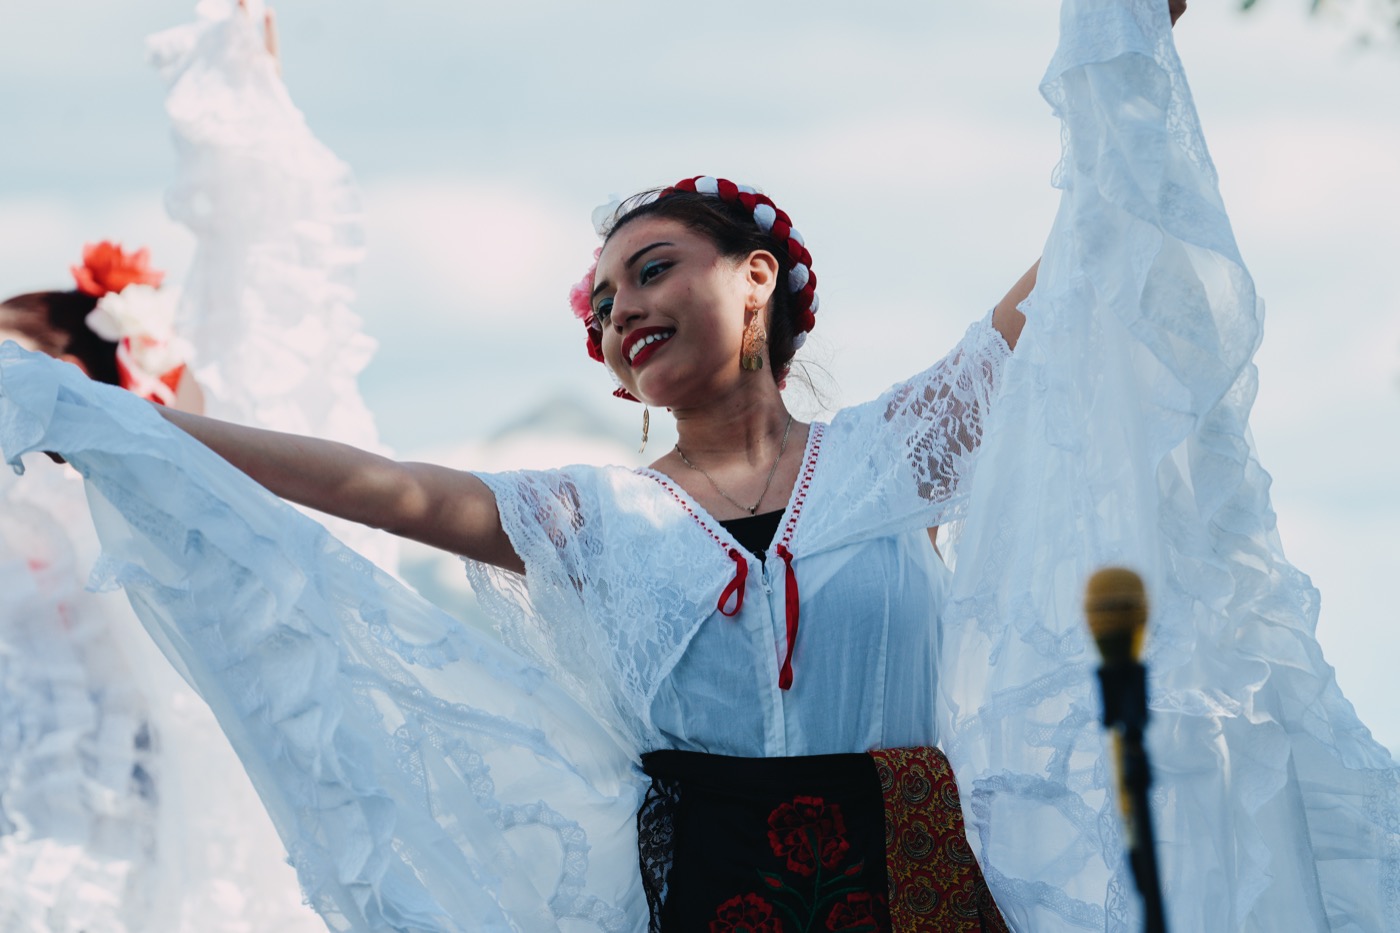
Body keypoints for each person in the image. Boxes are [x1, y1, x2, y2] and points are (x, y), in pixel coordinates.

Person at [2, 0, 1395, 931]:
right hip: (703, 903)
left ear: (760, 280)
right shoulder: (594, 516)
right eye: (602, 301)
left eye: (650, 269)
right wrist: (117, 419)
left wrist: (1131, 35)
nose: (619, 308)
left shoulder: (906, 448)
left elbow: (1090, 261)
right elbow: (366, 482)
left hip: (925, 893)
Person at [0, 2, 387, 930]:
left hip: (159, 840)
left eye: (21, 366)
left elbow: (263, 310)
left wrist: (245, 114)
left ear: (88, 377)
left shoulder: (143, 500)